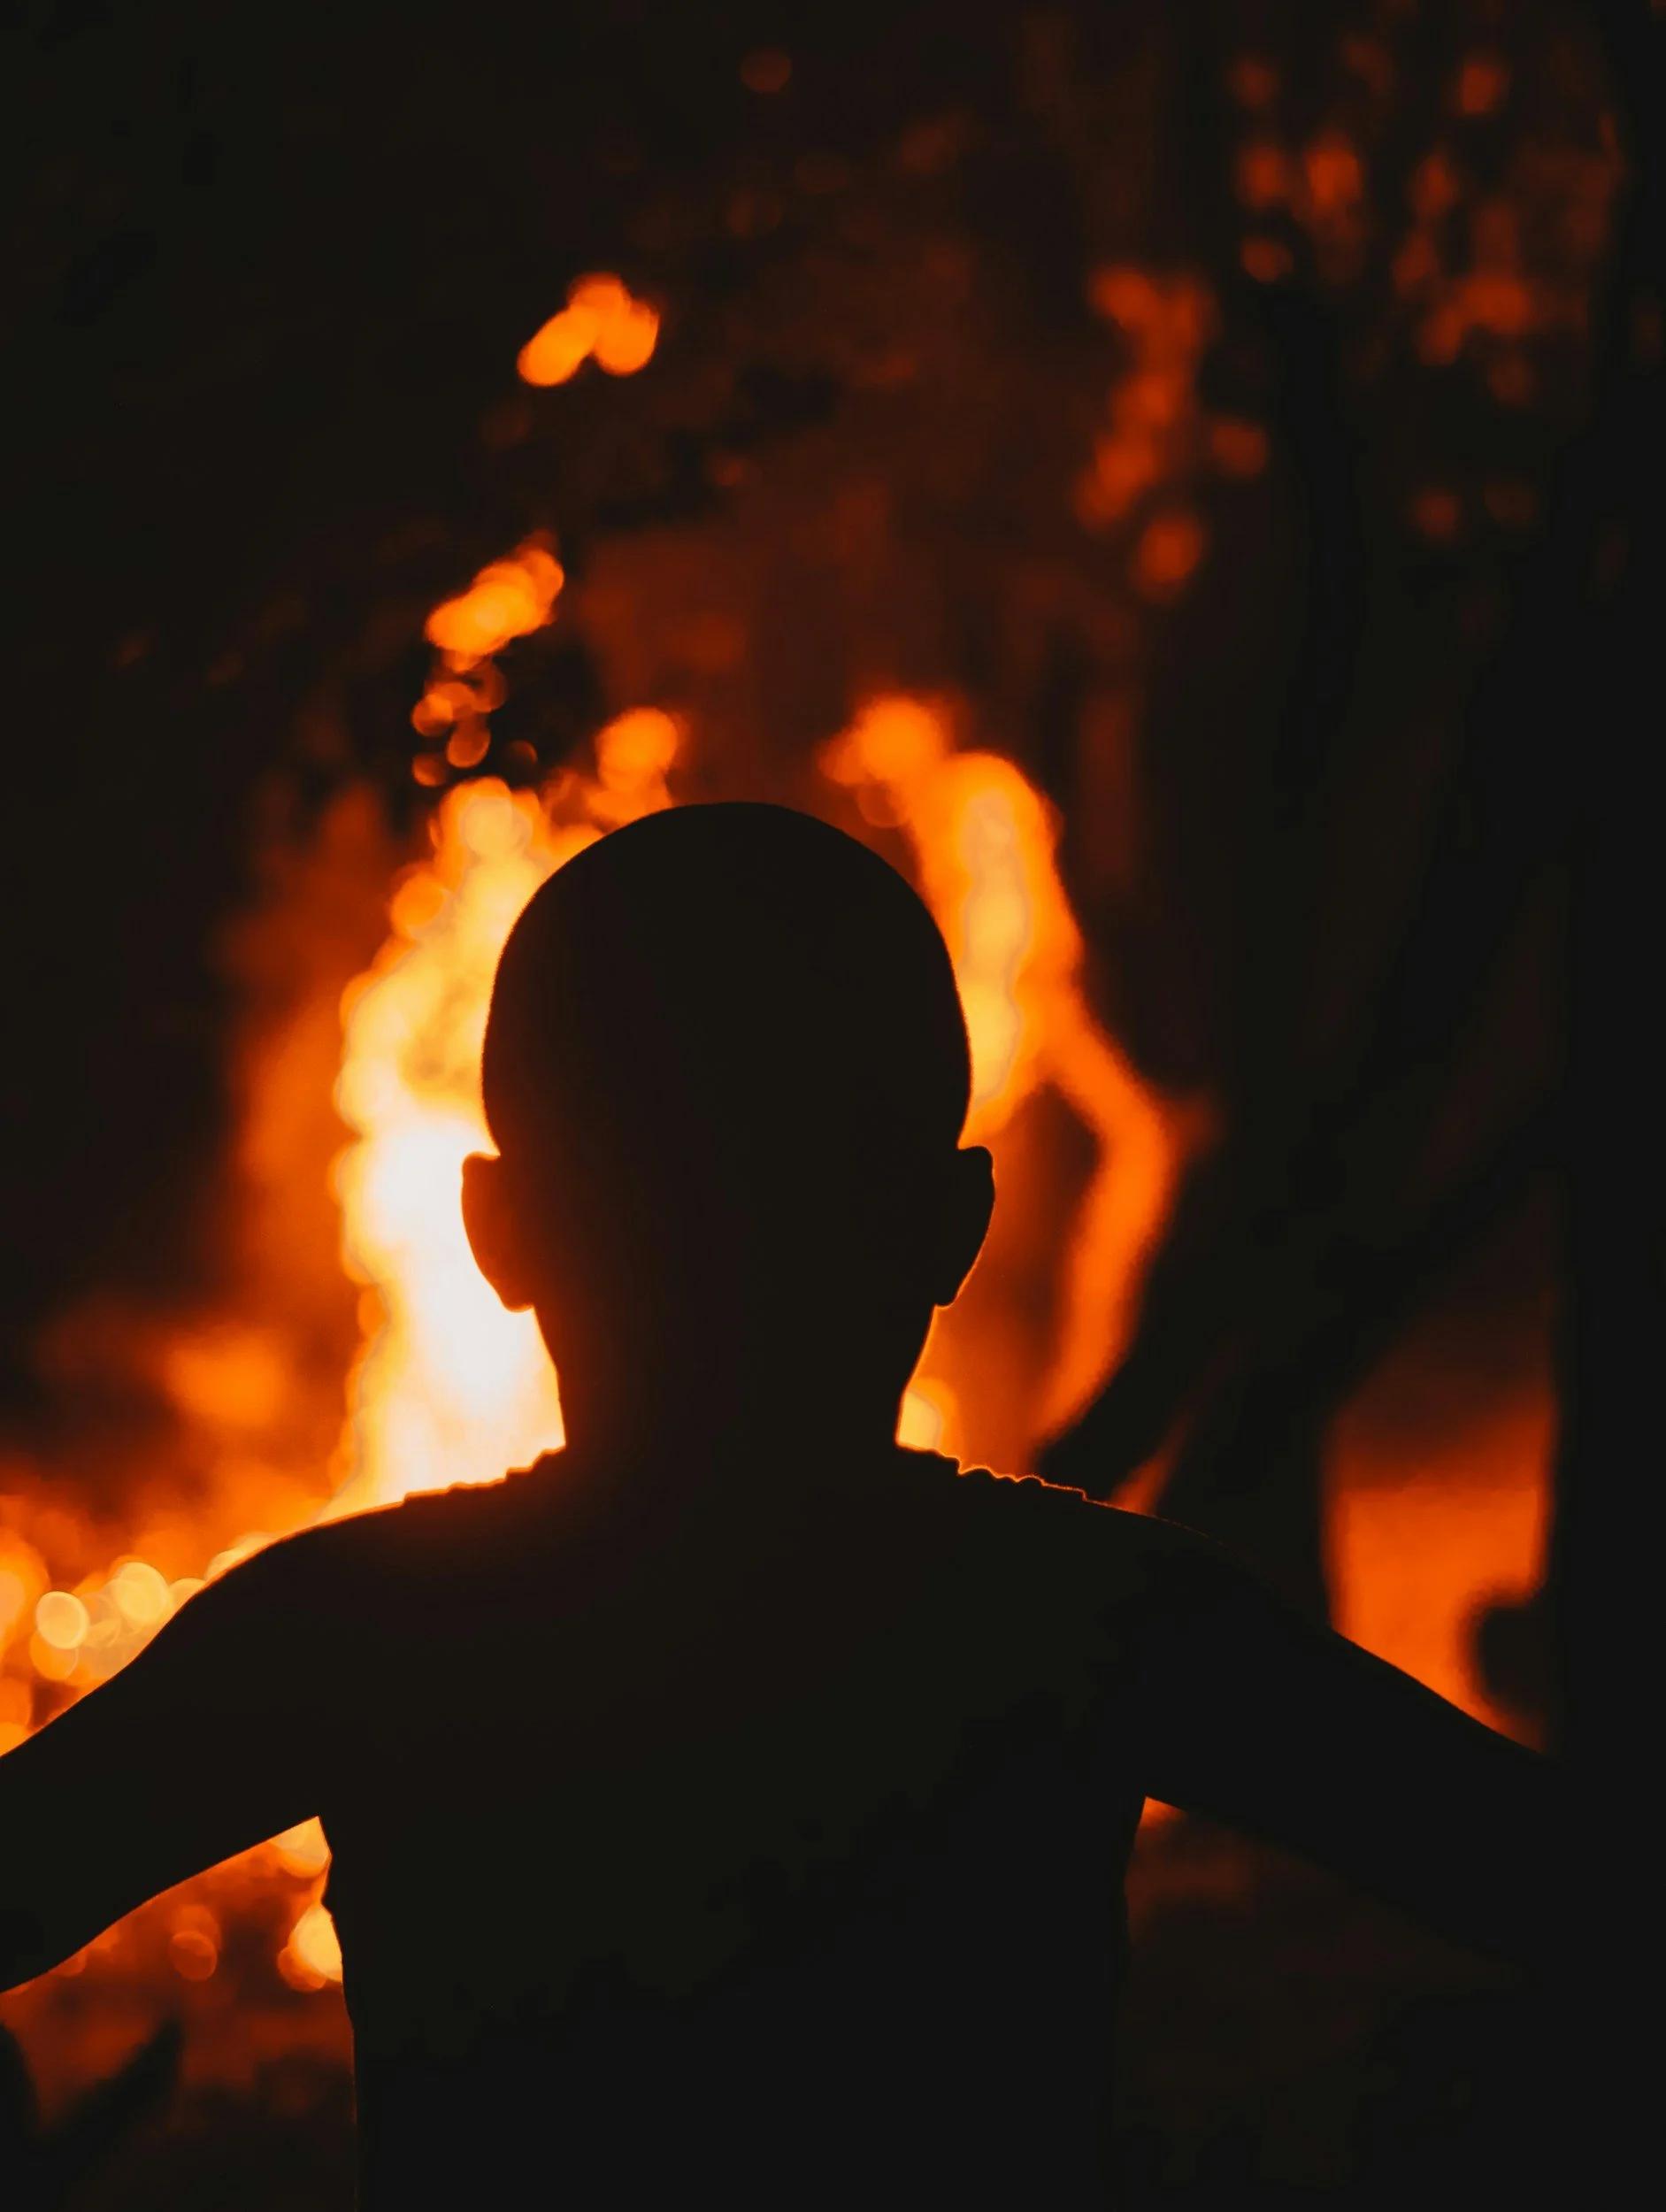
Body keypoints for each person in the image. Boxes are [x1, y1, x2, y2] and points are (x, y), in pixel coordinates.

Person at [0, 804, 1555, 2207]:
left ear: (498, 1233)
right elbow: (1547, 1877)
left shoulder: (349, 1636)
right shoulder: (1087, 1624)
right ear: (948, 1231)